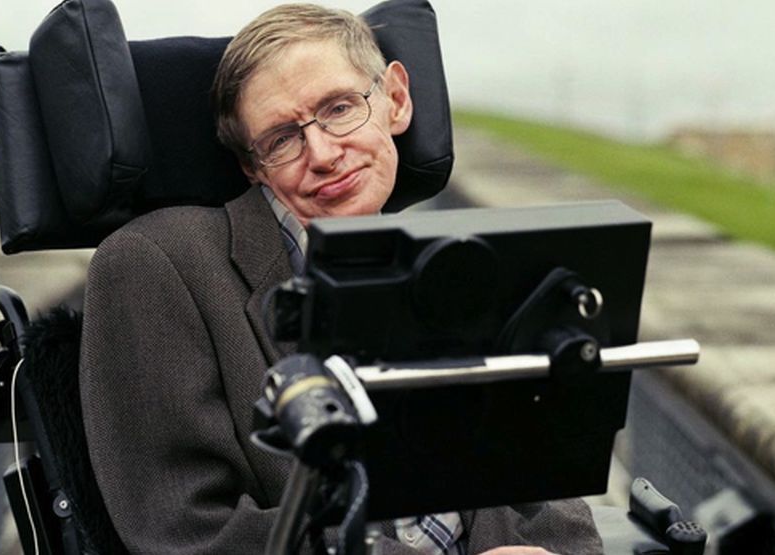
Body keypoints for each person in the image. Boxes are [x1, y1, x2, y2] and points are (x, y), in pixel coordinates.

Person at [80, 4, 603, 554]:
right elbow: (187, 533)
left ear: (396, 99)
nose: (325, 154)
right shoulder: (154, 263)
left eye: (339, 108)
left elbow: (544, 483)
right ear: (252, 166)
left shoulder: (459, 263)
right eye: (282, 139)